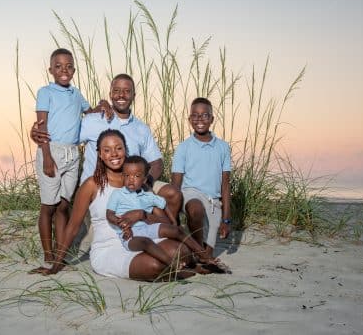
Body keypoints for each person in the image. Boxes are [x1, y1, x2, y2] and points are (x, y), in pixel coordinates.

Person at [33, 130, 221, 280]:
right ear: (100, 155)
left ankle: (179, 265)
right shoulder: (92, 185)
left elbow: (163, 220)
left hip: (143, 238)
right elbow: (73, 227)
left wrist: (142, 215)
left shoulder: (137, 182)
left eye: (118, 148)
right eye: (107, 150)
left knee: (183, 251)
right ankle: (171, 269)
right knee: (155, 266)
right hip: (109, 248)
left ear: (125, 150)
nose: (113, 154)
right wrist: (57, 264)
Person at [31, 73, 182, 220]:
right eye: (116, 91)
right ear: (110, 94)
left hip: (134, 185)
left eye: (126, 91)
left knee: (172, 194)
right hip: (100, 188)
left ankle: (169, 236)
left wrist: (143, 182)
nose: (121, 95)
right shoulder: (93, 120)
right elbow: (65, 140)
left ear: (134, 95)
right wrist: (38, 134)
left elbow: (156, 162)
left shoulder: (141, 128)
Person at [34, 48, 110, 265]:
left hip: (73, 153)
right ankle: (48, 254)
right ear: (51, 70)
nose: (63, 70)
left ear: (74, 70)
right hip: (52, 151)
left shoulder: (76, 94)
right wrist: (47, 157)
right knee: (48, 205)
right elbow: (42, 126)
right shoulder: (45, 92)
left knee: (63, 205)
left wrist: (102, 104)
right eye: (58, 66)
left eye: (68, 66)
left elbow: (91, 111)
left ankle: (60, 253)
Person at [107, 155, 221, 267]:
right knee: (145, 242)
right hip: (129, 234)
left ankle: (202, 254)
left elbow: (163, 204)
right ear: (122, 176)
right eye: (127, 175)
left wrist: (173, 222)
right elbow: (109, 215)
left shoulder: (148, 196)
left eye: (136, 176)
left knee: (176, 230)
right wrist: (123, 226)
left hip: (147, 227)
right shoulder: (118, 194)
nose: (131, 179)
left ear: (144, 179)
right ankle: (171, 263)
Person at [171, 97, 232, 261]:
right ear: (190, 119)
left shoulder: (223, 147)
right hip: (190, 195)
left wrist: (226, 219)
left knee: (208, 255)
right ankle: (197, 251)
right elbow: (175, 186)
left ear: (211, 119)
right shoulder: (183, 148)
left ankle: (199, 252)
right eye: (195, 116)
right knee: (196, 208)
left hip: (213, 202)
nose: (199, 119)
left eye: (204, 115)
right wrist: (173, 217)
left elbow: (225, 185)